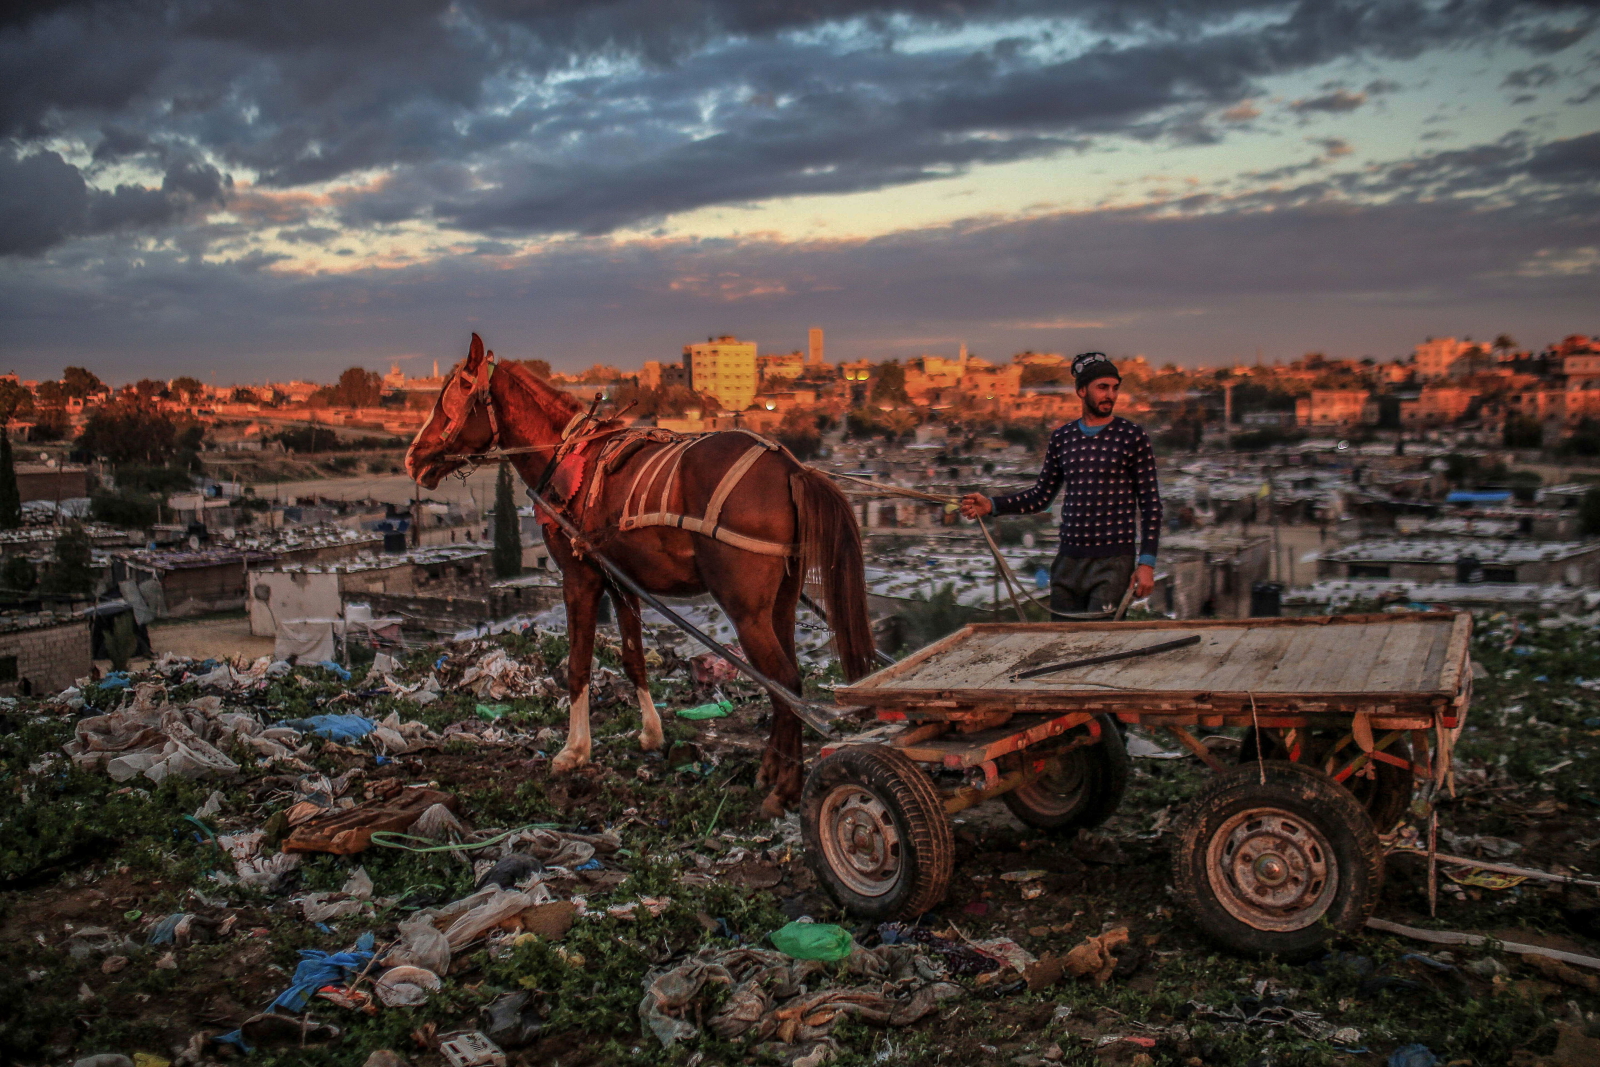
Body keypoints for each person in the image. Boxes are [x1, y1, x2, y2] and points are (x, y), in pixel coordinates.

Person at [960, 352, 1162, 616]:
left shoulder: (1131, 437)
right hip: (1068, 561)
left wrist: (1146, 563)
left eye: (1114, 388)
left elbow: (1150, 503)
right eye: (1102, 388)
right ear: (1081, 391)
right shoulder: (1063, 438)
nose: (1110, 395)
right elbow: (1041, 497)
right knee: (1061, 640)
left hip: (1113, 562)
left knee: (1098, 643)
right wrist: (993, 505)